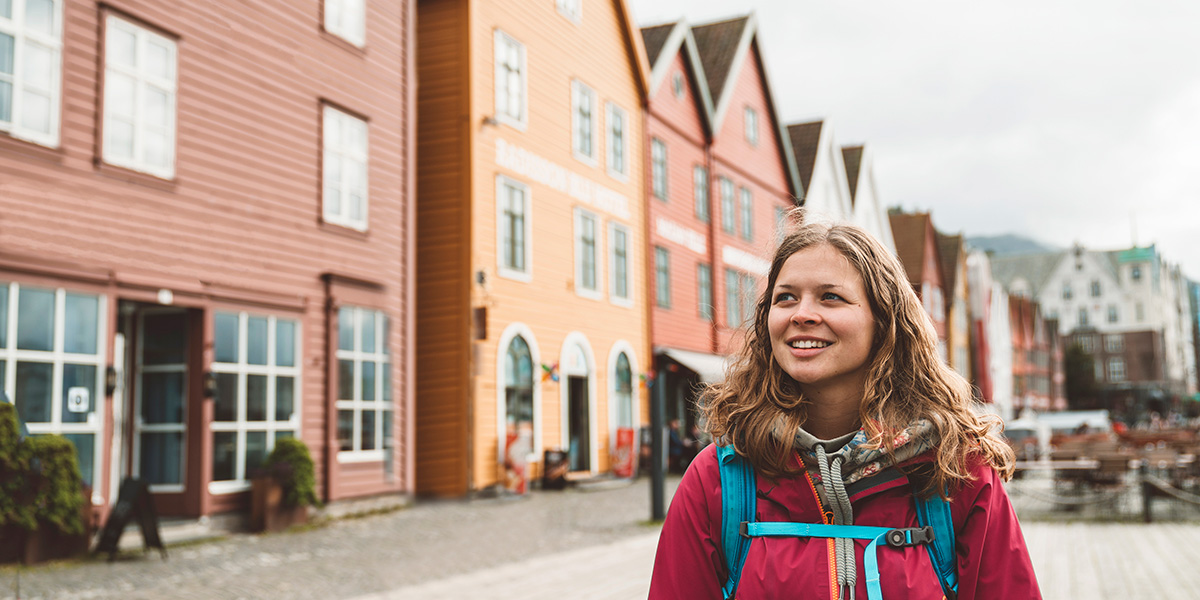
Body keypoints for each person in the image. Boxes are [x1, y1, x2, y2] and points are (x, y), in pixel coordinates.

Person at [649, 218, 1041, 599]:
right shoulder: (718, 481)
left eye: (830, 297)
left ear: (883, 320)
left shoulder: (955, 469)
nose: (801, 313)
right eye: (785, 297)